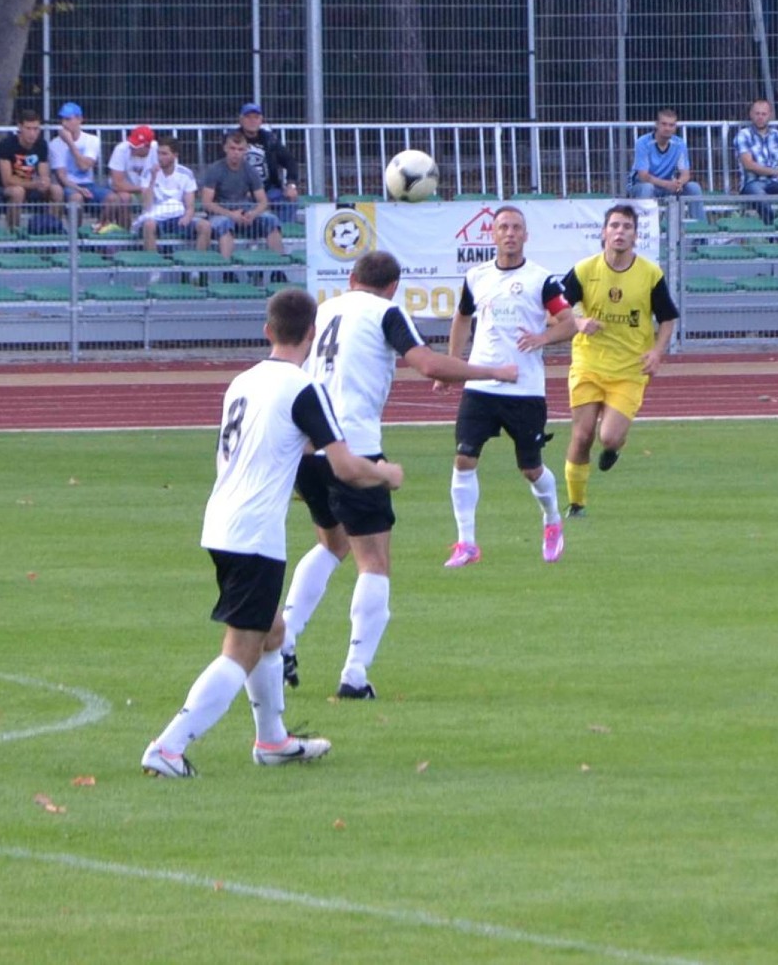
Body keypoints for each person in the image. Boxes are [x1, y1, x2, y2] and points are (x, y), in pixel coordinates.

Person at [141, 288, 403, 778]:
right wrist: (386, 474)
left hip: (220, 521)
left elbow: (281, 444)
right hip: (255, 533)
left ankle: (273, 740)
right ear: (312, 334)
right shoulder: (304, 388)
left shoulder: (243, 381)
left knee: (274, 633)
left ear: (267, 331)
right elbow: (344, 466)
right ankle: (168, 746)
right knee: (240, 649)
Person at [280, 249, 519, 698]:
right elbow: (427, 364)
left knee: (331, 544)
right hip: (354, 447)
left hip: (306, 446)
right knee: (374, 562)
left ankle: (286, 639)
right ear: (393, 286)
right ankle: (354, 674)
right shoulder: (386, 311)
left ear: (351, 278)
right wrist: (492, 372)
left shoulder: (325, 308)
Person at [435, 205, 576, 570]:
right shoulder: (476, 276)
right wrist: (453, 366)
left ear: (526, 235)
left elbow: (569, 323)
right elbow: (462, 317)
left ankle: (552, 519)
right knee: (464, 458)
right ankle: (466, 543)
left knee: (530, 468)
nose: (510, 233)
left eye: (516, 227)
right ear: (492, 234)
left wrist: (543, 337)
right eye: (503, 227)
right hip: (481, 385)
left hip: (525, 389)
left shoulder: (541, 280)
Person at [561, 204, 679, 518]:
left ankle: (614, 448)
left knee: (608, 436)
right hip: (588, 362)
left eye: (627, 227)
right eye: (614, 226)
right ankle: (576, 504)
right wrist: (578, 321)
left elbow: (668, 319)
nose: (620, 232)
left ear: (635, 236)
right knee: (582, 435)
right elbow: (557, 308)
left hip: (629, 369)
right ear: (603, 232)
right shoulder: (585, 270)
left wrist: (657, 351)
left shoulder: (650, 274)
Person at [196, 130, 285, 260]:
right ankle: (227, 271)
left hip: (245, 214)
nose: (236, 153)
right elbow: (207, 202)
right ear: (225, 148)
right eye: (232, 148)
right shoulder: (215, 169)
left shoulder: (250, 170)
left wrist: (252, 214)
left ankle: (278, 269)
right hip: (220, 214)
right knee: (225, 224)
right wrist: (231, 214)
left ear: (245, 150)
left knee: (271, 221)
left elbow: (263, 201)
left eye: (240, 149)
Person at [628, 107, 706, 223]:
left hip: (668, 185)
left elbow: (685, 174)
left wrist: (679, 183)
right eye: (664, 124)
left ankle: (700, 235)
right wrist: (667, 184)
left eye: (671, 125)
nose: (667, 128)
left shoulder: (679, 144)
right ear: (656, 125)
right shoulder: (643, 142)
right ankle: (645, 230)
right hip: (642, 186)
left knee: (693, 187)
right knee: (647, 188)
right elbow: (643, 176)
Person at [0, 109, 64, 230]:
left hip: (30, 186)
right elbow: (7, 180)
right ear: (20, 127)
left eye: (36, 129)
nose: (32, 133)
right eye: (28, 128)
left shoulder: (41, 144)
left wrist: (44, 182)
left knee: (56, 190)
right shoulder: (6, 144)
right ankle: (13, 232)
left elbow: (43, 173)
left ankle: (53, 229)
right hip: (4, 188)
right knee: (18, 191)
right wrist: (34, 184)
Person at [48, 102, 118, 226]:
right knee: (76, 198)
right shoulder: (55, 143)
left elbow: (84, 166)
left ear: (80, 119)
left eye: (68, 119)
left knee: (113, 198)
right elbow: (62, 176)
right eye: (63, 120)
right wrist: (78, 189)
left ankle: (98, 229)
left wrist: (70, 144)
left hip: (88, 184)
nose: (64, 124)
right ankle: (75, 236)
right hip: (69, 186)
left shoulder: (92, 140)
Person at [238, 102, 300, 224]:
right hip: (243, 192)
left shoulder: (270, 139)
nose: (252, 121)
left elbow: (290, 161)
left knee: (289, 200)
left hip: (269, 188)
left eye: (256, 117)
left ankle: (282, 232)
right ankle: (254, 237)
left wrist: (291, 185)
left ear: (261, 120)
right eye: (248, 117)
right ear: (241, 120)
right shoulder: (233, 139)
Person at [133, 136, 198, 251]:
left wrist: (187, 217)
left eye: (164, 154)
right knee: (149, 225)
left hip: (178, 217)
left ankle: (199, 266)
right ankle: (153, 266)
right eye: (158, 153)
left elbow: (190, 206)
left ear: (175, 155)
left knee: (204, 226)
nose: (160, 157)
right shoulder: (148, 173)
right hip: (155, 217)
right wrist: (153, 178)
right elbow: (147, 205)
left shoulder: (186, 174)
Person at [107, 124, 158, 230]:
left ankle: (148, 231)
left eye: (136, 146)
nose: (132, 148)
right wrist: (142, 189)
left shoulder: (159, 151)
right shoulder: (121, 149)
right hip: (129, 189)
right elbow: (117, 184)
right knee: (124, 197)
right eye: (132, 144)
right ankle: (125, 232)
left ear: (147, 146)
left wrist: (148, 189)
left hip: (153, 189)